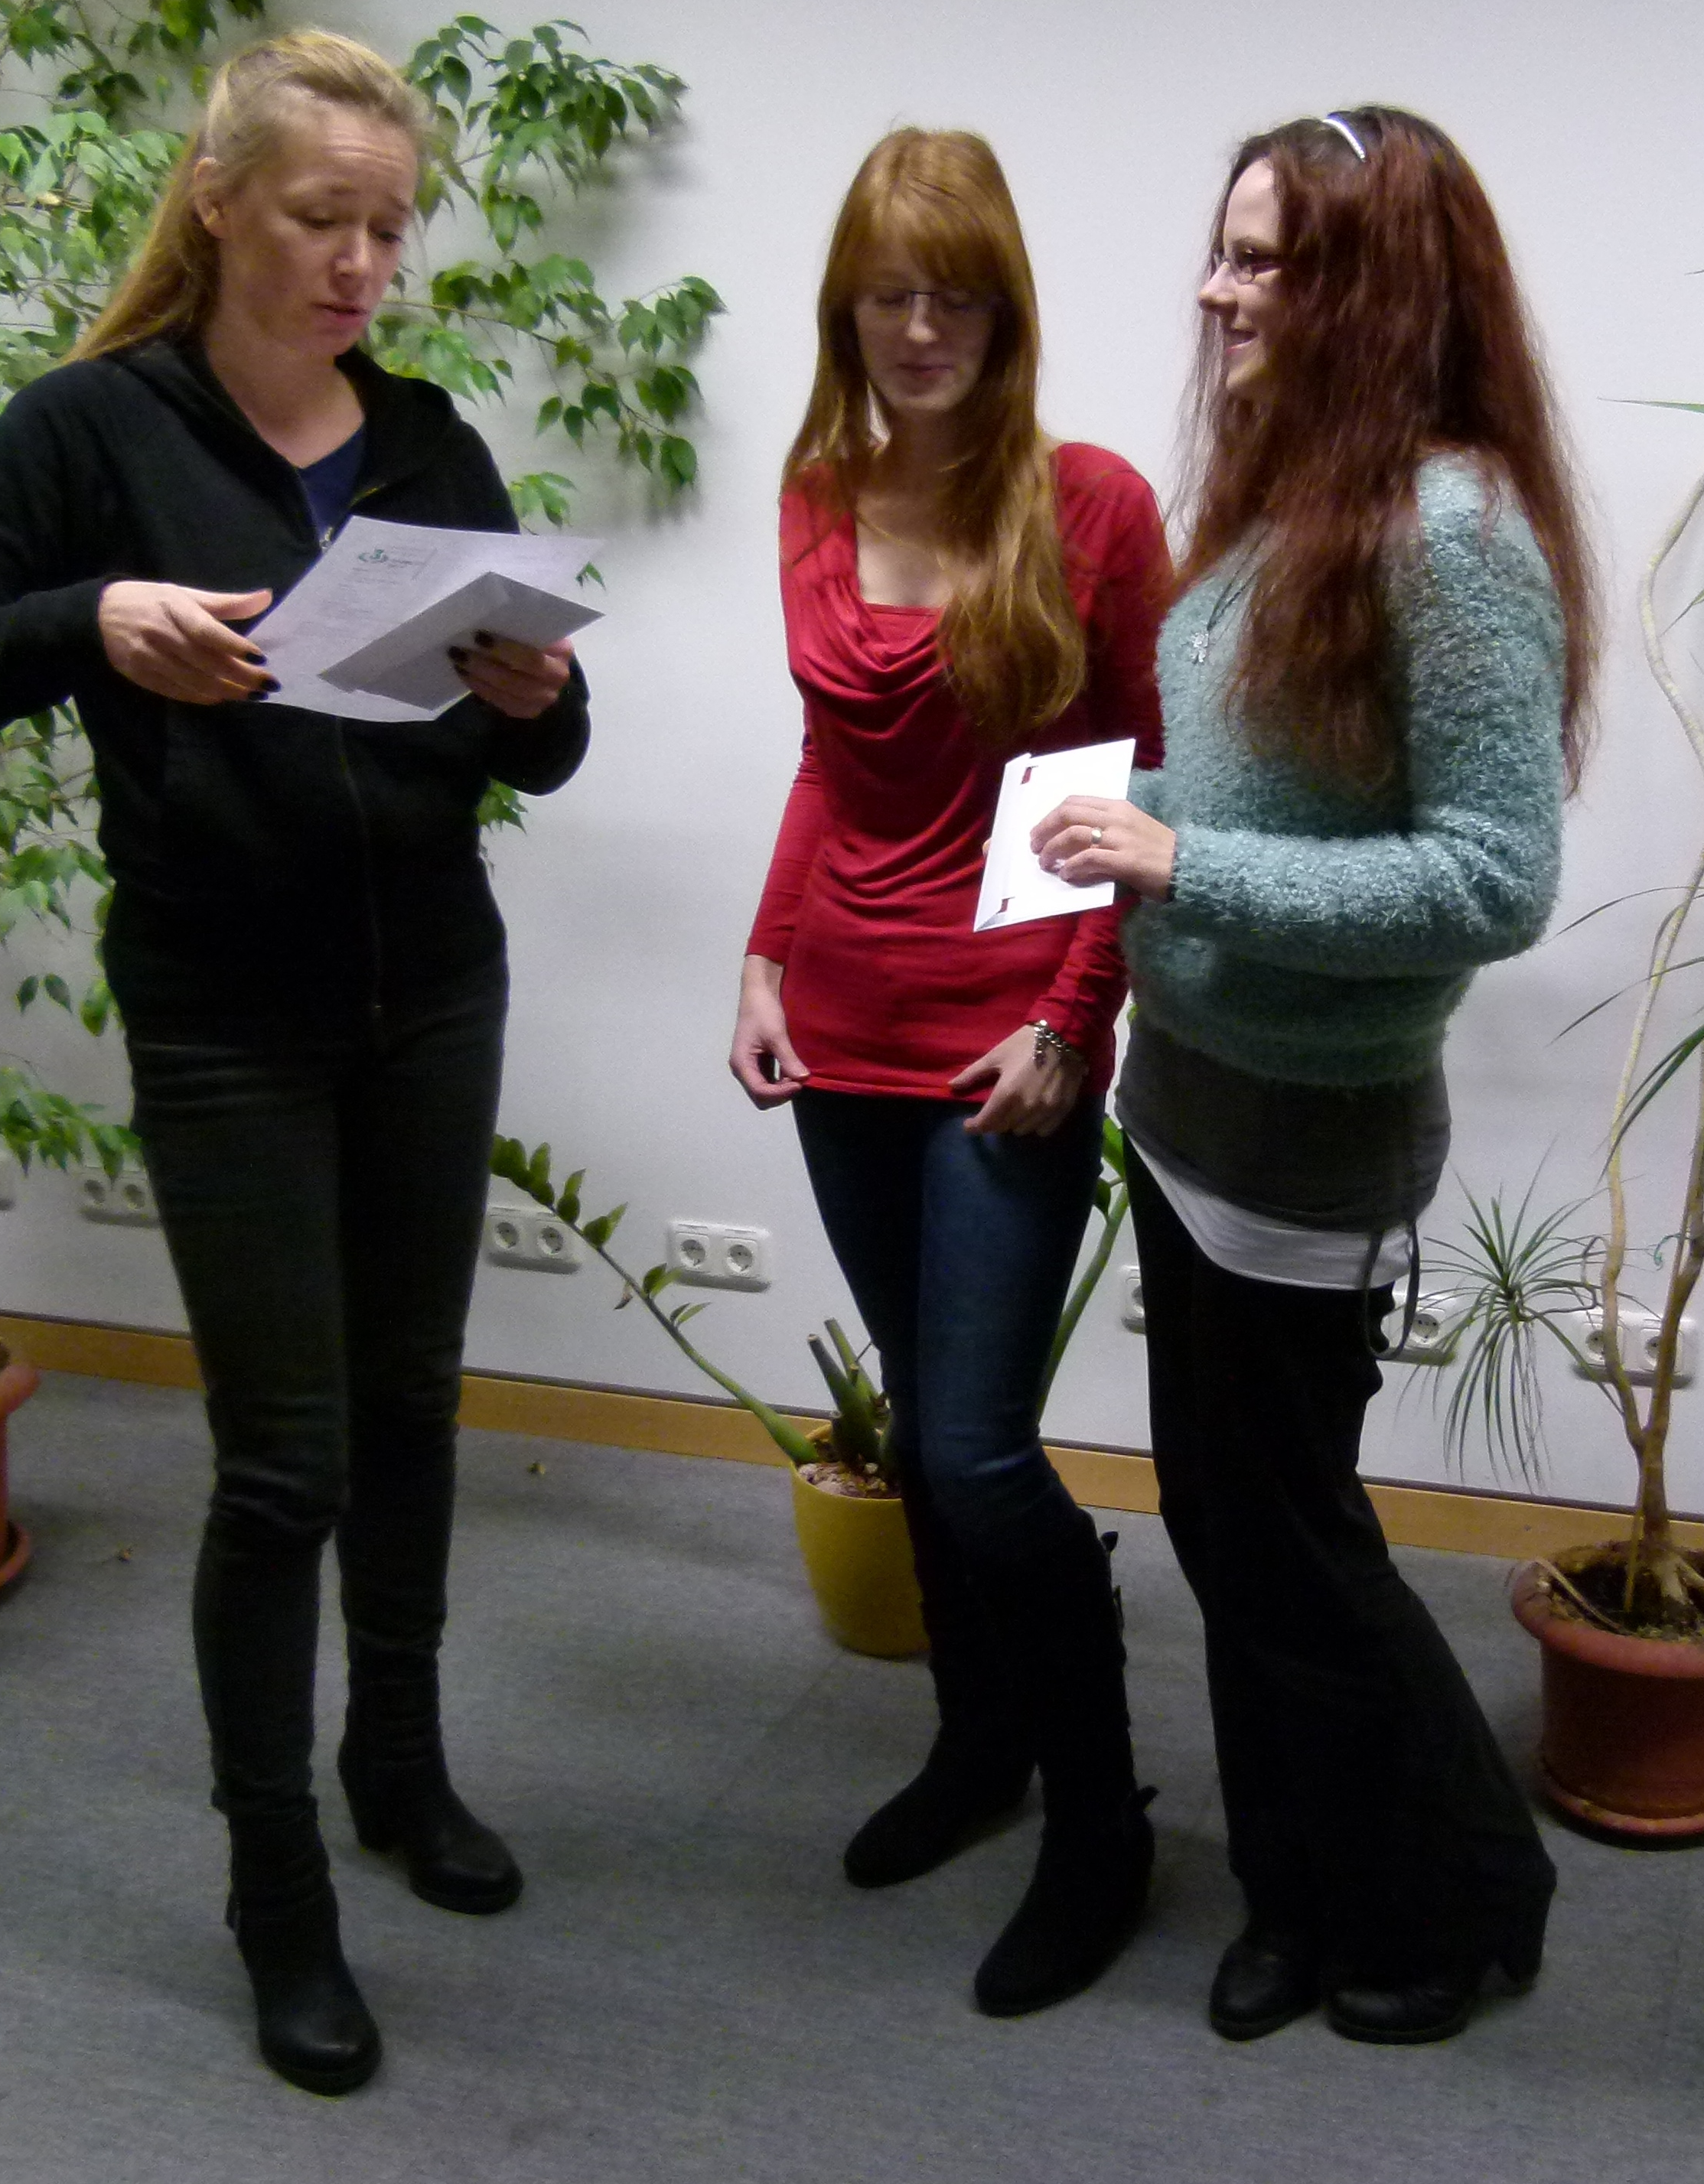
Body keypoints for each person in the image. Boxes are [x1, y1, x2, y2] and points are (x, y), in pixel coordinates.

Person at [0, 31, 584, 2096]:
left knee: (414, 1403)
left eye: (387, 229)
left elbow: (537, 746)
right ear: (217, 202)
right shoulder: (90, 428)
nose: (360, 264)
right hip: (221, 1007)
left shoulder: (424, 440)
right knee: (284, 1465)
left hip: (432, 981)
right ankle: (277, 1894)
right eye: (320, 219)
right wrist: (89, 619)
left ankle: (397, 1766)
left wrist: (533, 699)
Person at [1032, 106, 1597, 2046]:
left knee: (1294, 1551)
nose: (1215, 291)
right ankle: (1295, 1892)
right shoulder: (1291, 490)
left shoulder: (1455, 538)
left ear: (1373, 288)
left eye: (1263, 260)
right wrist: (1110, 809)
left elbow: (1490, 879)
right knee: (1230, 1535)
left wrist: (1180, 858)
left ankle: (1464, 1894)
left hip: (1307, 1137)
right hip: (1188, 1105)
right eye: (1223, 249)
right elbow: (1271, 784)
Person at [730, 129, 1168, 2016]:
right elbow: (827, 763)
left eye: (957, 296)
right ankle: (977, 1746)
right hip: (842, 1020)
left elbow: (1145, 776)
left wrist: (1075, 1019)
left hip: (1005, 1041)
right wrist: (763, 952)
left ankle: (1101, 1822)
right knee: (920, 1422)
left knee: (983, 1449)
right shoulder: (815, 493)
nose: (921, 330)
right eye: (888, 296)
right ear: (847, 310)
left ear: (1007, 310)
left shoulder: (1091, 504)